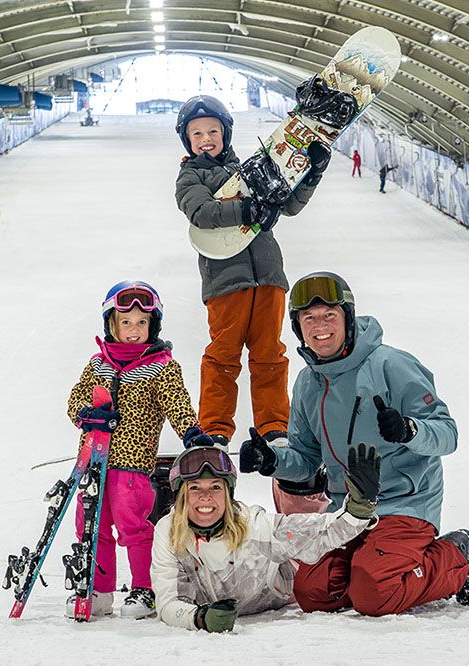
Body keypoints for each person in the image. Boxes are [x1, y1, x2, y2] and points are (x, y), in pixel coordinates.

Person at [239, 271, 469, 616]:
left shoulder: (391, 364)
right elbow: (307, 457)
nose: (320, 325)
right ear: (298, 328)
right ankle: (369, 566)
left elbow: (447, 435)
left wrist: (409, 430)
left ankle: (457, 556)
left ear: (348, 318)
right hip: (347, 510)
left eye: (330, 315)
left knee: (375, 595)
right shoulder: (308, 383)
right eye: (308, 318)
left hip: (404, 503)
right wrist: (272, 460)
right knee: (312, 592)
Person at [173, 94, 332, 513]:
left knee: (270, 354)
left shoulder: (250, 171)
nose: (206, 140)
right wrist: (247, 207)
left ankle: (274, 425)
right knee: (223, 355)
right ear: (186, 141)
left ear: (225, 133)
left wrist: (310, 173)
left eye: (213, 131)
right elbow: (202, 213)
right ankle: (215, 428)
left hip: (269, 277)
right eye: (197, 134)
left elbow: (289, 204)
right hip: (226, 282)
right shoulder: (190, 178)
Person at [66, 280, 213, 620]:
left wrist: (191, 432)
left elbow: (177, 403)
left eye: (142, 323)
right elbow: (76, 398)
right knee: (91, 524)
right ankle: (98, 591)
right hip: (93, 462)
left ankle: (144, 589)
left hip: (132, 467)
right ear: (112, 325)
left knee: (133, 526)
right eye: (126, 322)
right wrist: (85, 414)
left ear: (153, 325)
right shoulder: (97, 364)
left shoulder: (160, 366)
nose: (134, 330)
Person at [150, 442, 381, 632]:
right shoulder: (168, 533)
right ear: (181, 495)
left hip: (279, 591)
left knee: (316, 585)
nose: (206, 497)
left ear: (228, 493)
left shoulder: (253, 525)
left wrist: (357, 511)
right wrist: (199, 618)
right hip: (209, 606)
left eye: (215, 487)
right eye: (194, 488)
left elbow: (317, 531)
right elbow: (168, 604)